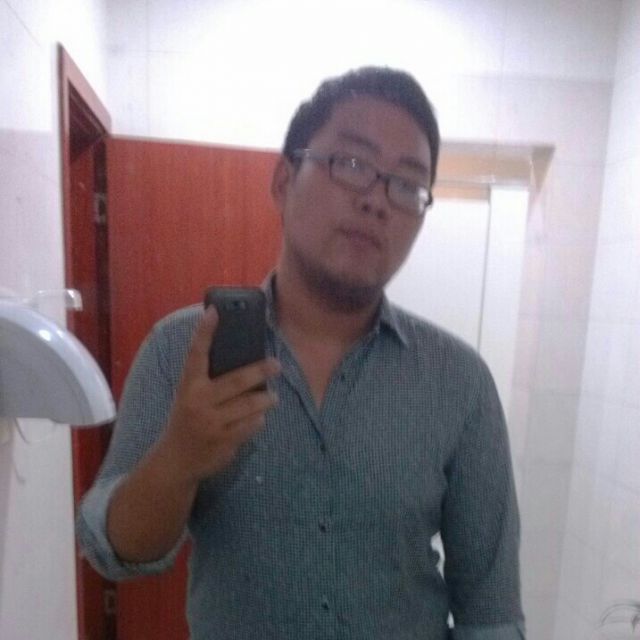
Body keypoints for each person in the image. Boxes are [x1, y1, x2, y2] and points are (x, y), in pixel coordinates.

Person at [77, 66, 525, 640]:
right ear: (284, 182)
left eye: (407, 185)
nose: (377, 201)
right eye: (352, 164)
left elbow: (491, 611)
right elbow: (112, 551)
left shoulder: (459, 382)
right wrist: (179, 457)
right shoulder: (182, 350)